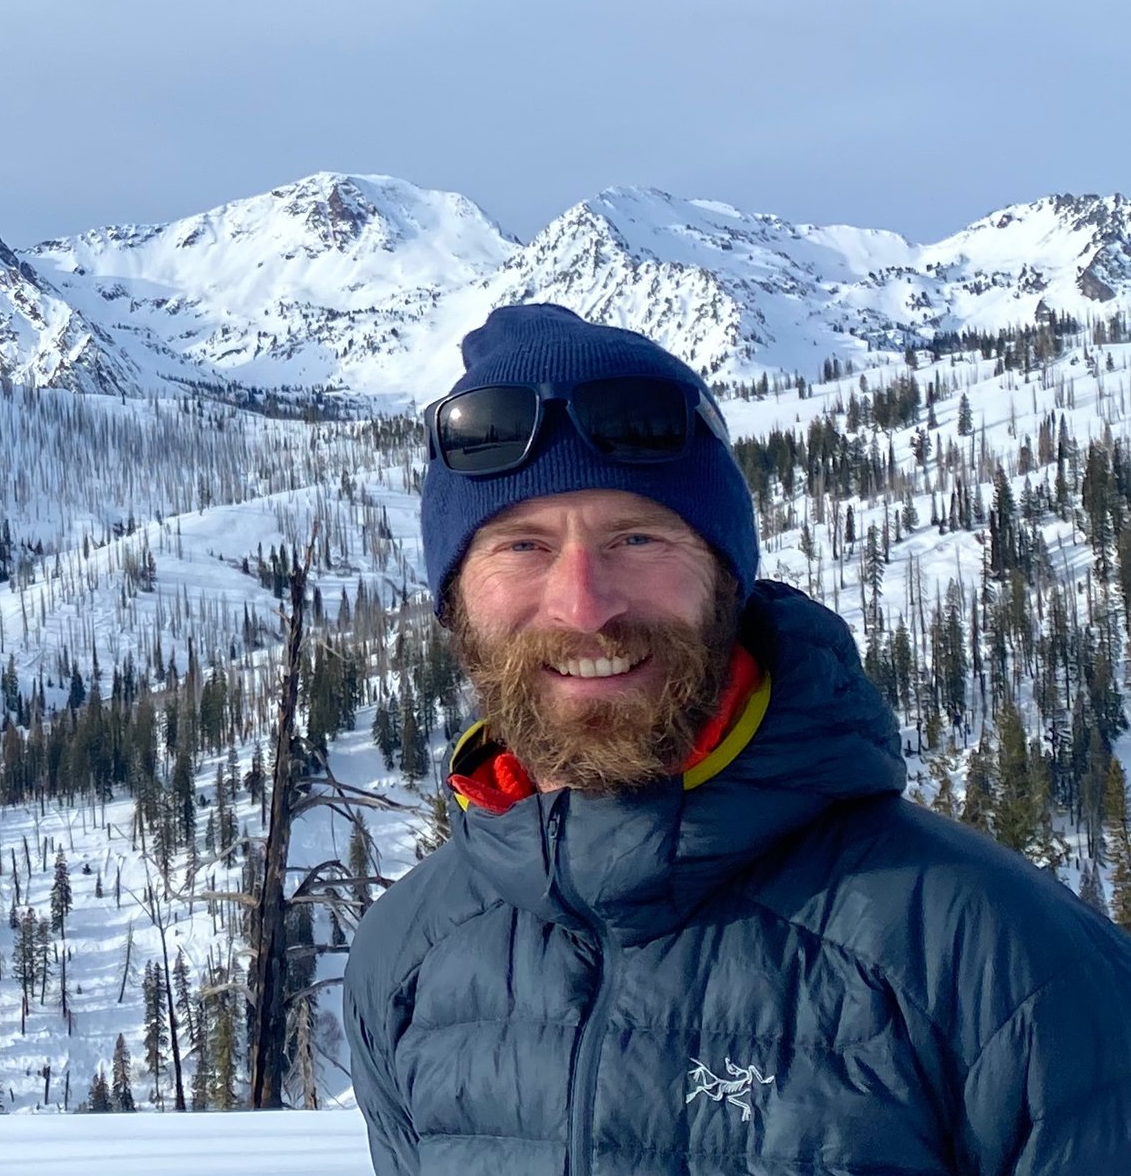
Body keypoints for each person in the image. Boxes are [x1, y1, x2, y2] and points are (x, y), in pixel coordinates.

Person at [347, 302, 1131, 1175]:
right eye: (521, 545)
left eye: (637, 537)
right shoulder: (406, 956)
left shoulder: (1003, 964)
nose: (584, 604)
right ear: (456, 601)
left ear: (728, 576)